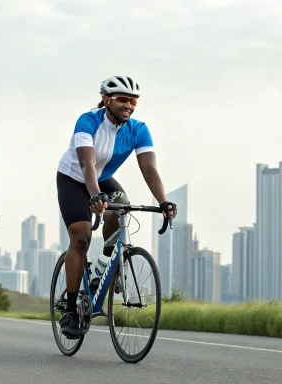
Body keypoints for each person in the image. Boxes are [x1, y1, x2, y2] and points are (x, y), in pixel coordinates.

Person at [55, 75, 177, 339]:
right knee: (81, 238)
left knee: (120, 207)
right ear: (106, 100)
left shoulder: (138, 129)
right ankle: (72, 311)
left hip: (101, 177)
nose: (129, 105)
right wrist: (95, 195)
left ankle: (102, 266)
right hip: (74, 179)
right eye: (123, 99)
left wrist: (163, 201)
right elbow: (87, 164)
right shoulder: (88, 121)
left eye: (133, 100)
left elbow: (149, 168)